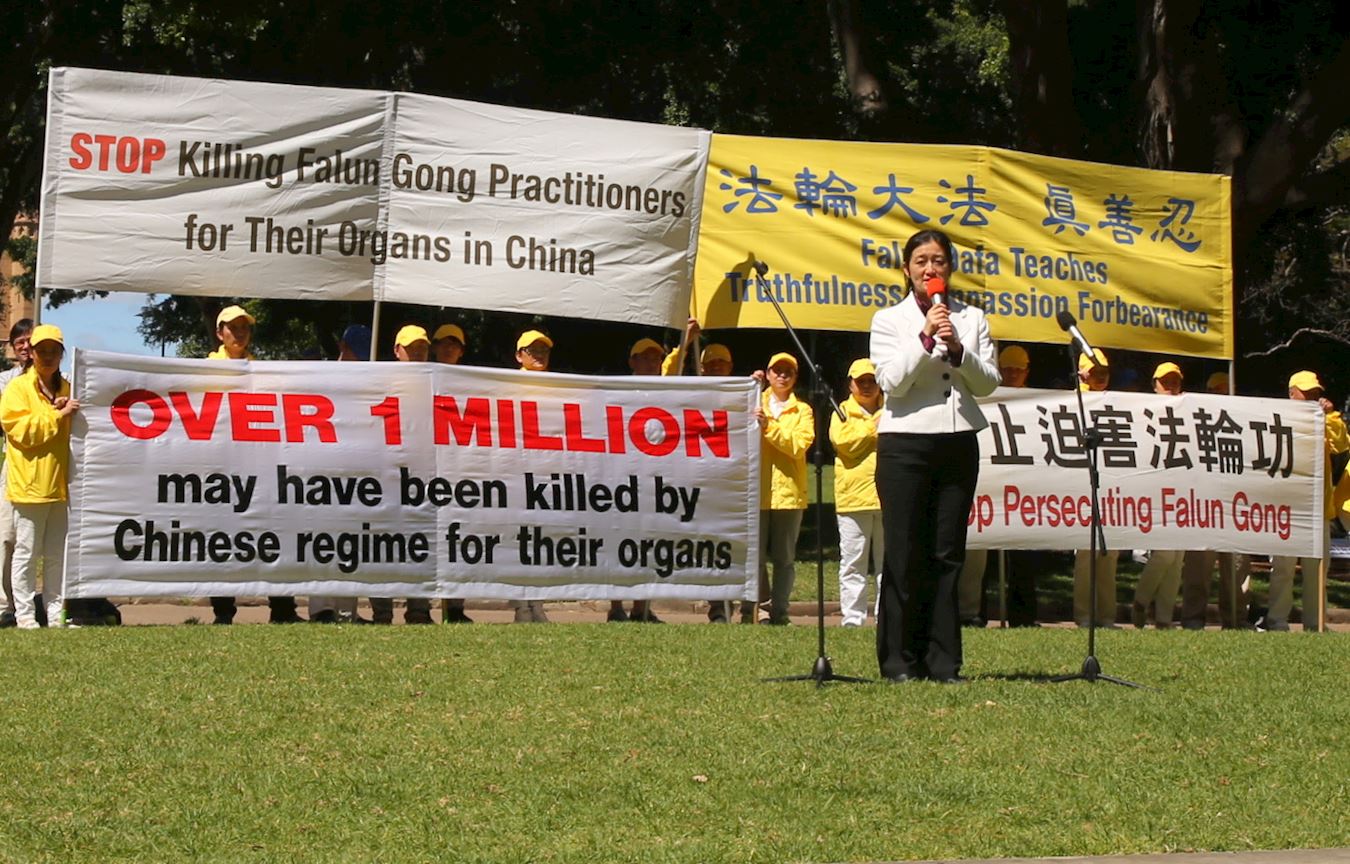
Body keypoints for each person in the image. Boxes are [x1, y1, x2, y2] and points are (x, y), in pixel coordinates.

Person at [870, 228, 1000, 682]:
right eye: (921, 261)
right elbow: (892, 382)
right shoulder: (889, 320)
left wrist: (959, 350)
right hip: (905, 445)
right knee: (905, 552)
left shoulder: (972, 318)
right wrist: (925, 338)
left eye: (938, 261)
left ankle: (944, 662)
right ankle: (899, 661)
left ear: (950, 268)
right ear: (907, 270)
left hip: (957, 441)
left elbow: (988, 383)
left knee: (947, 554)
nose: (930, 269)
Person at [207, 305, 304, 624]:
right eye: (232, 327)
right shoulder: (204, 369)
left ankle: (283, 609)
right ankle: (223, 612)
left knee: (272, 534)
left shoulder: (259, 370)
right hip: (222, 466)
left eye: (244, 327)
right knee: (222, 540)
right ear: (219, 333)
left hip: (258, 465)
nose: (239, 333)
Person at [0, 324, 79, 628]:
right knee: (27, 553)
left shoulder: (67, 389)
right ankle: (25, 616)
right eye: (41, 350)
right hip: (29, 485)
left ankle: (56, 615)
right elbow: (21, 431)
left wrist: (62, 409)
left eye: (53, 351)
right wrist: (57, 415)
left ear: (61, 354)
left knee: (57, 555)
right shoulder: (17, 388)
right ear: (30, 353)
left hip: (61, 485)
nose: (47, 356)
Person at [958, 344, 1037, 627]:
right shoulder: (982, 394)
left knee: (1023, 553)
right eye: (1008, 369)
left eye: (1018, 369)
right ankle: (971, 612)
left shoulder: (1037, 401)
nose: (1013, 374)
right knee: (976, 552)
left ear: (1027, 372)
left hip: (1024, 487)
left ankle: (1023, 616)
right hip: (986, 482)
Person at [1264, 370, 1348, 632]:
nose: (1312, 397)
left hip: (1317, 509)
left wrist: (1331, 415)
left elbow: (1341, 444)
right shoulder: (1276, 419)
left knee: (1318, 570)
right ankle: (1277, 621)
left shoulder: (1324, 420)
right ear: (1291, 394)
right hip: (1286, 509)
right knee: (1283, 568)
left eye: (1315, 393)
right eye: (1306, 393)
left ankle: (1316, 623)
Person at [369, 325, 437, 625]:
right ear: (397, 351)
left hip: (424, 475)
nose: (417, 353)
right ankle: (382, 611)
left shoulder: (437, 382)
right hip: (385, 474)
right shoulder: (380, 381)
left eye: (422, 347)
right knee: (381, 544)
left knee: (421, 543)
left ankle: (419, 609)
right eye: (411, 348)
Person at [309, 324, 372, 624]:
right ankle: (321, 608)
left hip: (357, 470)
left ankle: (347, 611)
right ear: (343, 348)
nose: (359, 358)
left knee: (351, 542)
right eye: (355, 351)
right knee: (321, 541)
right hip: (323, 469)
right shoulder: (323, 377)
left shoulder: (372, 381)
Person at [749, 351, 814, 625]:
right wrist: (749, 386)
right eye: (777, 370)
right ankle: (760, 609)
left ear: (795, 377)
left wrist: (769, 427)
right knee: (755, 557)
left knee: (784, 558)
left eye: (788, 371)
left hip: (789, 494)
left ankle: (781, 610)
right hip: (756, 490)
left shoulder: (803, 410)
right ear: (768, 374)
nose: (782, 376)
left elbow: (798, 445)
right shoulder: (754, 401)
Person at [607, 337, 669, 623]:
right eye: (645, 357)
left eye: (656, 358)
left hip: (653, 476)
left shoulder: (667, 390)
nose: (652, 362)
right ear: (632, 361)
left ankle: (641, 607)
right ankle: (615, 606)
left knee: (648, 541)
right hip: (620, 477)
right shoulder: (619, 389)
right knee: (618, 540)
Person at [1131, 361, 1188, 628]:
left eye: (1175, 380)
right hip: (1155, 489)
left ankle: (1164, 619)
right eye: (1165, 381)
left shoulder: (1189, 409)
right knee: (1164, 554)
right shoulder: (1145, 410)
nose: (1171, 385)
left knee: (1177, 559)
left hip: (1184, 489)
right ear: (1154, 385)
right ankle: (1141, 601)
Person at [830, 358, 883, 627]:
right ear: (850, 384)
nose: (866, 385)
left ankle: (887, 615)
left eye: (871, 380)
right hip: (853, 498)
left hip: (888, 496)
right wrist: (874, 429)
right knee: (853, 561)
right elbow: (844, 443)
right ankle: (853, 617)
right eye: (861, 381)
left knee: (889, 563)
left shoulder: (892, 409)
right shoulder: (840, 412)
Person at [1071, 348, 1120, 628]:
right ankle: (1083, 615)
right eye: (1094, 371)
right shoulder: (1073, 401)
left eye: (1104, 371)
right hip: (1081, 485)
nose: (1100, 376)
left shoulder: (1116, 402)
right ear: (1082, 373)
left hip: (1111, 485)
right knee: (1085, 553)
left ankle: (1107, 616)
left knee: (1110, 553)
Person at [431, 323, 474, 624]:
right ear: (435, 347)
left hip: (459, 468)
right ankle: (418, 609)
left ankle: (455, 606)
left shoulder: (472, 381)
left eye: (454, 344)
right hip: (425, 465)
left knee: (458, 538)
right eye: (444, 343)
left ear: (461, 351)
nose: (449, 348)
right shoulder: (423, 377)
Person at [512, 330, 554, 623]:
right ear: (519, 355)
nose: (539, 355)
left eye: (543, 350)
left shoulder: (557, 385)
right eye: (532, 350)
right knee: (519, 541)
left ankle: (537, 604)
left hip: (545, 471)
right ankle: (520, 607)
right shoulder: (506, 384)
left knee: (541, 540)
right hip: (516, 472)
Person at [0, 319, 34, 629]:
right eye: (19, 342)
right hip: (14, 464)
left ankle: (42, 604)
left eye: (29, 340)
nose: (25, 347)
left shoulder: (61, 380)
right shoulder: (5, 381)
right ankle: (4, 605)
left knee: (38, 541)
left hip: (51, 465)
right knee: (6, 536)